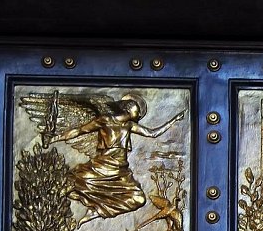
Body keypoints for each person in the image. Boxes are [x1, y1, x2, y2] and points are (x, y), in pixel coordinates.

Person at [46, 93, 186, 222]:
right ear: (128, 108)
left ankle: (98, 211)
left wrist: (173, 121)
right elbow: (79, 130)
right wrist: (54, 139)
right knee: (74, 182)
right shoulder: (105, 120)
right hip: (102, 165)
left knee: (138, 199)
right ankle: (51, 208)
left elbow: (152, 133)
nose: (139, 114)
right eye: (137, 109)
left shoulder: (130, 125)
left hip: (121, 171)